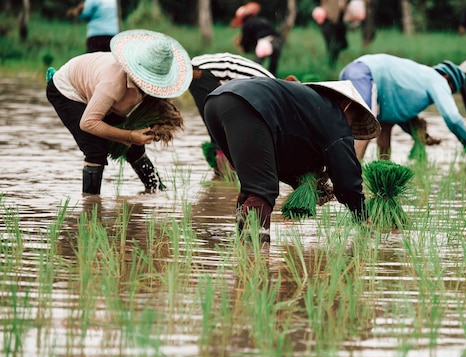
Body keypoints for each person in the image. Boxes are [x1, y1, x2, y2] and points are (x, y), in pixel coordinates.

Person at [203, 77, 381, 243]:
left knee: (253, 184)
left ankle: (243, 242)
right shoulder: (335, 117)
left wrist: (308, 184)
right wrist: (362, 216)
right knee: (262, 188)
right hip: (247, 106)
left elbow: (277, 162)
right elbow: (347, 178)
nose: (349, 127)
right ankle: (254, 253)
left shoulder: (306, 107)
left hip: (215, 102)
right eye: (353, 120)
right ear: (347, 106)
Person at [46, 29, 192, 195]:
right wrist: (129, 136)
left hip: (99, 91)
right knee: (95, 150)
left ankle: (157, 192)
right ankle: (91, 207)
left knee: (136, 147)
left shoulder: (147, 88)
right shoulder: (112, 84)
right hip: (69, 91)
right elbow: (88, 123)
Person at [339, 53, 466, 160]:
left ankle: (383, 179)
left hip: (351, 70)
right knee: (364, 128)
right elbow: (452, 117)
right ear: (447, 78)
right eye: (450, 90)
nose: (447, 93)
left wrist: (423, 136)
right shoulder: (437, 79)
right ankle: (349, 179)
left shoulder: (418, 76)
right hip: (365, 74)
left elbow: (396, 116)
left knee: (385, 127)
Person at [189, 52, 275, 177]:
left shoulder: (272, 89)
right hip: (204, 72)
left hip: (207, 70)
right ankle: (224, 165)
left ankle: (225, 167)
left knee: (218, 125)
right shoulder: (273, 91)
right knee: (216, 125)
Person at [231, 2, 283, 75]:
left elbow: (246, 41)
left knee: (255, 66)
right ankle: (273, 80)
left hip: (265, 43)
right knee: (273, 66)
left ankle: (251, 79)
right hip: (278, 40)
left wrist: (244, 48)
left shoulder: (247, 24)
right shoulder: (260, 19)